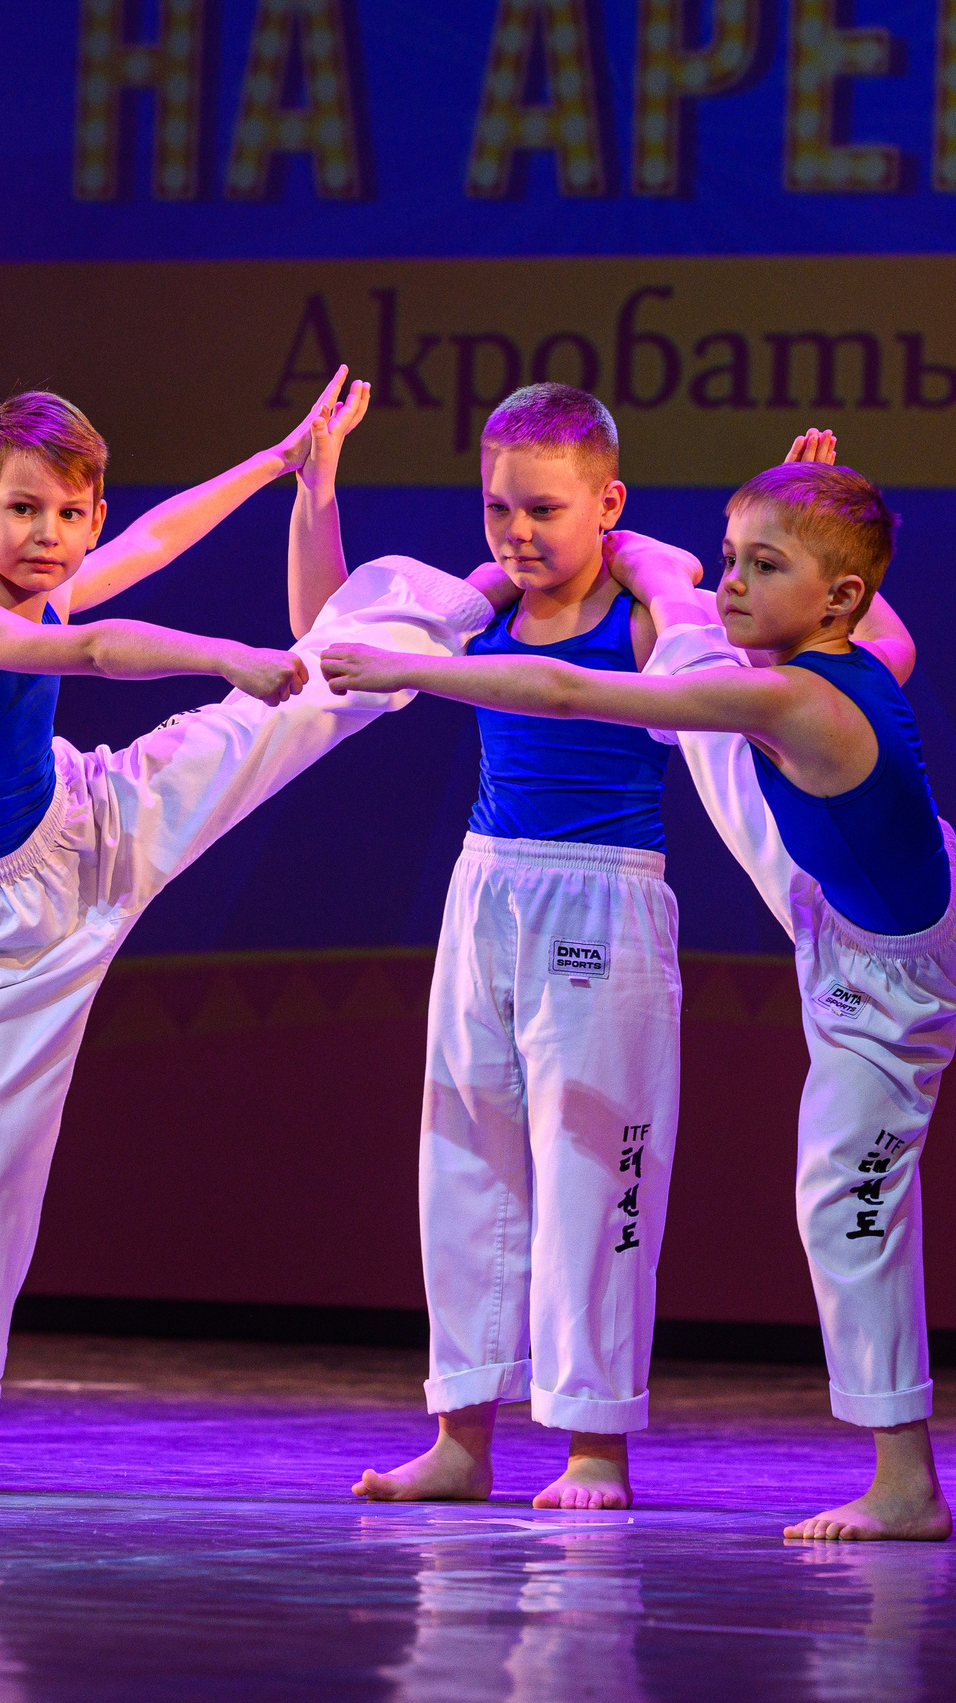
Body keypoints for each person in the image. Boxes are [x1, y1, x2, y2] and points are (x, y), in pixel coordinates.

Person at [321, 442, 956, 1542]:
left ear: (834, 598)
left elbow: (573, 688)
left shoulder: (792, 701)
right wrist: (822, 517)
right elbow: (888, 626)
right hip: (854, 904)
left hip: (885, 980)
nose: (730, 583)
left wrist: (414, 670)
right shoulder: (863, 646)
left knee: (844, 1204)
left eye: (763, 565)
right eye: (723, 559)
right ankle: (464, 1432)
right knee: (716, 714)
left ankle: (905, 1479)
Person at [0, 370, 498, 1496]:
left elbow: (158, 539)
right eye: (23, 509)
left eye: (71, 515)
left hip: (84, 822)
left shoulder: (49, 587)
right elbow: (96, 652)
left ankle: (467, 594)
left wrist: (284, 461)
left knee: (296, 704)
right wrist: (224, 655)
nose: (49, 535)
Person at [332, 382, 684, 1513]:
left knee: (592, 1166)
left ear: (608, 506)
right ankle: (462, 1434)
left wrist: (681, 559)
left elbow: (609, 674)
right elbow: (329, 640)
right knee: (465, 1150)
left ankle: (592, 1442)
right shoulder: (482, 608)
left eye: (543, 509)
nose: (517, 533)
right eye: (496, 511)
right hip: (486, 884)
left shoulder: (638, 614)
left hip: (602, 900)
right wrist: (316, 491)